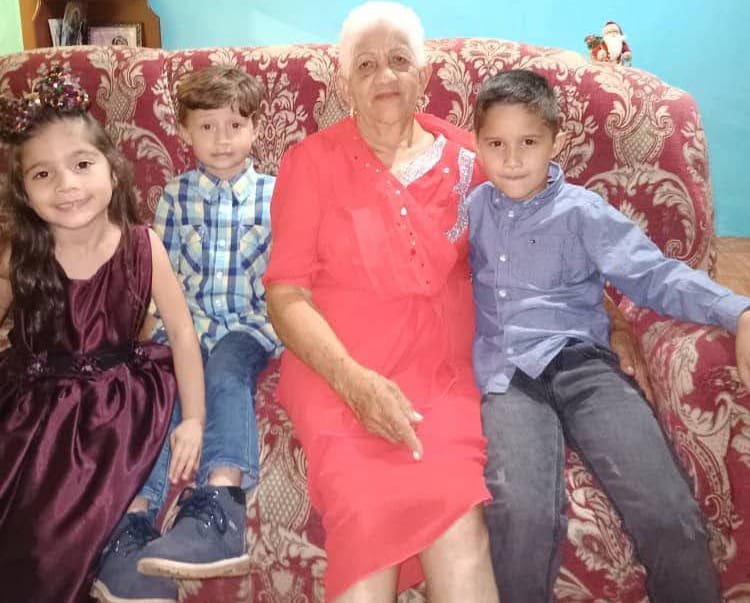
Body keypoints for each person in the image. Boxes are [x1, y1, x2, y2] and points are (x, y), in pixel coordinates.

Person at [263, 3, 646, 601]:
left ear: (424, 72)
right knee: (366, 515)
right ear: (343, 84)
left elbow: (548, 239)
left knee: (459, 526)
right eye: (365, 65)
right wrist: (355, 385)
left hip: (443, 378)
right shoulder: (308, 163)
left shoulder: (472, 158)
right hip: (339, 375)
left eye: (399, 60)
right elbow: (286, 294)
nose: (384, 75)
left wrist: (615, 319)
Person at [468, 69, 750, 603]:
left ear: (556, 141)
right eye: (496, 144)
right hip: (509, 380)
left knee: (667, 511)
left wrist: (736, 310)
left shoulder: (583, 212)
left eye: (528, 142)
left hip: (585, 368)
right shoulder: (471, 211)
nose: (512, 159)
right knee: (520, 515)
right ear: (477, 144)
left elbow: (653, 274)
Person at [0, 69, 205, 603]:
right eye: (43, 174)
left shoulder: (142, 246)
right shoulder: (19, 255)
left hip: (119, 404)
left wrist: (195, 420)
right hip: (33, 403)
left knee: (69, 516)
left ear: (113, 170)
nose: (66, 185)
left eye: (82, 165)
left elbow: (182, 333)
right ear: (24, 192)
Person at [97, 65, 281, 600]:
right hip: (188, 325)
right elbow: (163, 279)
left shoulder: (276, 194)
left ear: (256, 128)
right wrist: (148, 339)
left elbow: (286, 276)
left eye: (235, 125)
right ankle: (133, 523)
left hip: (248, 327)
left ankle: (220, 507)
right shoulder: (176, 197)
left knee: (224, 370)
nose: (222, 140)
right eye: (207, 127)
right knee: (156, 388)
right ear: (184, 131)